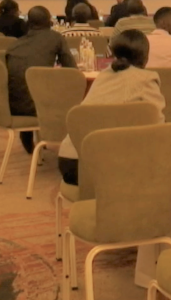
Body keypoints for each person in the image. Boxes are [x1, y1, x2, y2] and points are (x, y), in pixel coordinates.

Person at [55, 29, 165, 185]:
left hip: (69, 160)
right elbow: (158, 124)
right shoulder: (146, 79)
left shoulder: (103, 75)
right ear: (146, 56)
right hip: (101, 166)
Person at [5, 6, 77, 153]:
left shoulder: (14, 45)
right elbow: (72, 71)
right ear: (49, 21)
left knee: (29, 86)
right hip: (40, 106)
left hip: (13, 105)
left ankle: (29, 137)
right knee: (73, 96)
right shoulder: (55, 38)